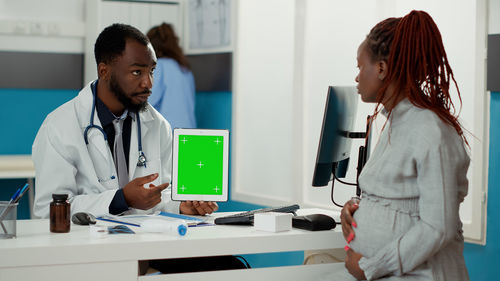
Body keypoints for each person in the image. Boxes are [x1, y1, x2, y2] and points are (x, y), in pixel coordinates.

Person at [332, 11, 470, 280]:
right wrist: (360, 205)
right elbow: (403, 197)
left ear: (381, 69)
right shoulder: (396, 121)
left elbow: (437, 227)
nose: (357, 77)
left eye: (360, 66)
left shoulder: (430, 130)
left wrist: (370, 266)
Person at [32, 23, 217, 219]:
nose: (148, 83)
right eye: (137, 72)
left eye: (152, 71)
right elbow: (49, 209)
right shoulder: (59, 126)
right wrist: (121, 199)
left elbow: (163, 192)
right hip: (86, 246)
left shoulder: (157, 124)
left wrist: (180, 206)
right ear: (104, 71)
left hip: (143, 244)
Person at [146, 23, 197, 130]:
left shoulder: (159, 66)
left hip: (168, 134)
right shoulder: (185, 69)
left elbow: (146, 101)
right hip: (190, 133)